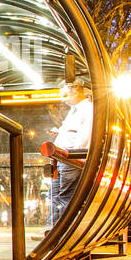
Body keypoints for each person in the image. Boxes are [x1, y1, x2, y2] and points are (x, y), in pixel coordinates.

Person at [45, 79, 93, 232]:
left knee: (65, 197)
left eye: (62, 90)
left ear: (74, 89)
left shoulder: (88, 110)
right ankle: (54, 229)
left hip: (71, 160)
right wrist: (60, 133)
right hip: (62, 159)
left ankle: (64, 231)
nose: (61, 95)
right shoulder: (74, 111)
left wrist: (73, 156)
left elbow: (85, 139)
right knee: (54, 195)